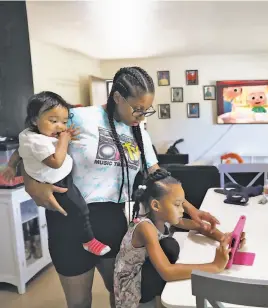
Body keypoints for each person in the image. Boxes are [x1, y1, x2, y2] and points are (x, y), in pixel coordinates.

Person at [5, 67, 219, 308]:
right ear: (117, 97)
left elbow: (158, 176)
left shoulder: (139, 131)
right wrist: (32, 184)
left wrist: (192, 210)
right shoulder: (79, 118)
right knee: (79, 303)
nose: (141, 115)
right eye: (137, 108)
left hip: (113, 223)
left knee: (122, 295)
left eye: (146, 109)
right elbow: (32, 144)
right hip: (68, 222)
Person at [114, 169, 245, 308]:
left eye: (182, 204)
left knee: (172, 248)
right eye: (177, 204)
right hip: (132, 286)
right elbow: (167, 272)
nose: (182, 210)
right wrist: (215, 266)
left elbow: (200, 227)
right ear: (156, 205)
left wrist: (225, 238)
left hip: (146, 270)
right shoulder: (145, 227)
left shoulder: (163, 216)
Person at [13, 92, 110, 256]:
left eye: (64, 122)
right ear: (35, 120)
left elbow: (19, 152)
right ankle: (88, 241)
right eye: (53, 121)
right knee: (80, 210)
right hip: (58, 183)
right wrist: (64, 141)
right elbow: (56, 162)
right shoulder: (37, 141)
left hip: (61, 179)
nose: (60, 126)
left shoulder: (34, 135)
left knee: (74, 212)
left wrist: (10, 166)